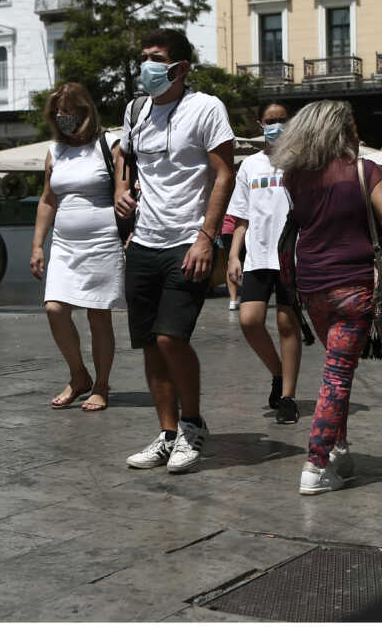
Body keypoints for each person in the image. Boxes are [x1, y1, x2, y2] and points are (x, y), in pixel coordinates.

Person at [114, 28, 236, 474]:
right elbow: (124, 158)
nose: (147, 65)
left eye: (156, 57)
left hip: (189, 241)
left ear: (181, 67)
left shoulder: (206, 108)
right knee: (149, 344)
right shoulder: (135, 110)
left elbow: (225, 174)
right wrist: (121, 193)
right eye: (144, 56)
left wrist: (208, 236)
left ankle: (192, 425)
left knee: (171, 337)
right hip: (143, 240)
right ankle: (166, 434)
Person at [271, 100, 382, 495]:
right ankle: (315, 463)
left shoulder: (295, 176)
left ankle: (339, 449)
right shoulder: (365, 171)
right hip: (354, 286)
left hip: (312, 285)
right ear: (343, 130)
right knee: (337, 376)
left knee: (335, 366)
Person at [30, 82, 123, 412]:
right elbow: (48, 199)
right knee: (55, 309)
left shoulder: (109, 143)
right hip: (65, 244)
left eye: (68, 110)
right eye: (57, 111)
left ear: (85, 111)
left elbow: (122, 189)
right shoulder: (55, 151)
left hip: (102, 241)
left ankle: (101, 384)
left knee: (99, 316)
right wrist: (38, 245)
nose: (61, 116)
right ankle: (78, 375)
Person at [226, 101, 302, 425]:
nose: (276, 125)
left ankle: (287, 397)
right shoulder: (249, 167)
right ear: (260, 124)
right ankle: (277, 373)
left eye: (282, 119)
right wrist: (233, 254)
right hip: (257, 255)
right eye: (270, 120)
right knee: (249, 320)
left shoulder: (302, 161)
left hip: (291, 255)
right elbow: (241, 216)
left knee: (287, 324)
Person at [220, 213, 241, 311]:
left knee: (230, 263)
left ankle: (233, 299)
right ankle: (247, 298)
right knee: (246, 262)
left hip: (226, 230)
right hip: (243, 229)